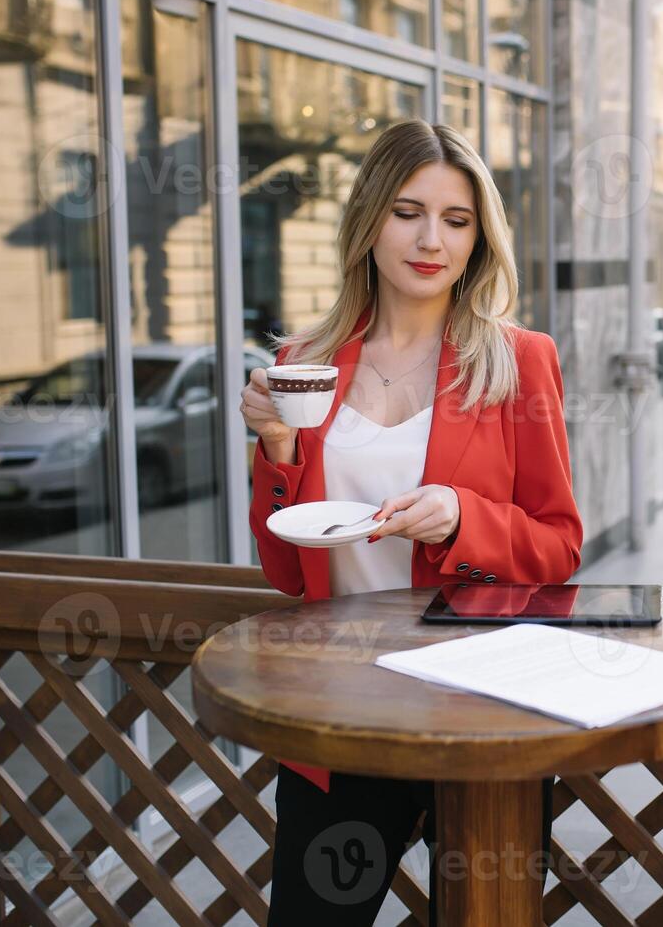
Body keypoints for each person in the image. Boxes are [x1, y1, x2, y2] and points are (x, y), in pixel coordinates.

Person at [238, 120, 583, 924]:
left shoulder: (518, 359)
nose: (432, 240)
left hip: (483, 706)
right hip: (341, 709)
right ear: (368, 220)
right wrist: (278, 446)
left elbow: (559, 545)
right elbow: (287, 572)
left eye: (456, 221)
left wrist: (463, 516)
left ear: (477, 239)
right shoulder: (303, 364)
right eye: (408, 212)